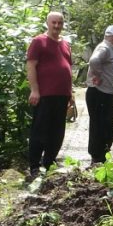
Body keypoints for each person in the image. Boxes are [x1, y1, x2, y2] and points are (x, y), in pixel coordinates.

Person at [26, 11, 73, 177]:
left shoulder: (65, 44)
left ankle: (49, 162)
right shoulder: (39, 41)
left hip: (62, 95)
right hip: (45, 95)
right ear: (48, 23)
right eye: (54, 22)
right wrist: (34, 90)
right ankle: (34, 166)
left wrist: (71, 93)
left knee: (58, 131)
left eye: (60, 23)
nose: (57, 26)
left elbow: (68, 68)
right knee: (40, 130)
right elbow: (31, 66)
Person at [86, 24, 113, 167]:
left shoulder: (109, 48)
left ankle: (101, 157)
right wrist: (98, 74)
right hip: (99, 93)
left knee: (107, 128)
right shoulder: (105, 47)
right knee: (100, 127)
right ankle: (97, 159)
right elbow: (94, 60)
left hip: (104, 94)